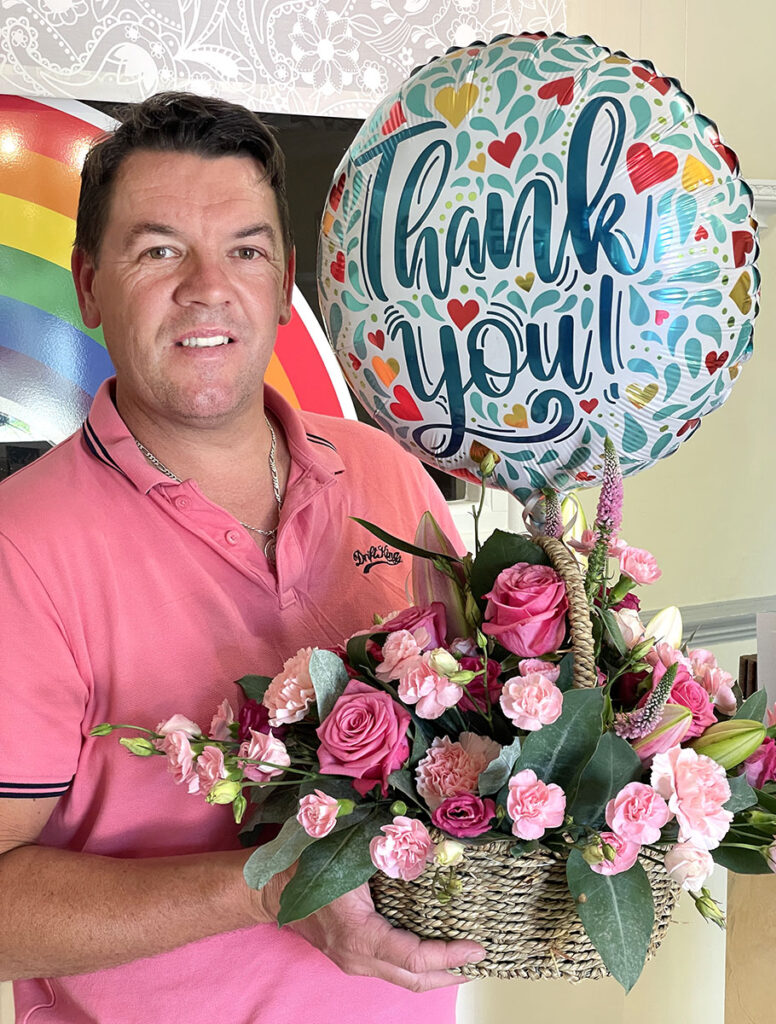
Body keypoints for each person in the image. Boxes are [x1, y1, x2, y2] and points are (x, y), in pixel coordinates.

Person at [0, 92, 485, 1024]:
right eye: (159, 250)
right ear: (89, 284)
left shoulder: (388, 475)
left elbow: (483, 739)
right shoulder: (21, 548)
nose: (207, 287)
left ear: (283, 281)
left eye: (246, 250)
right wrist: (266, 887)